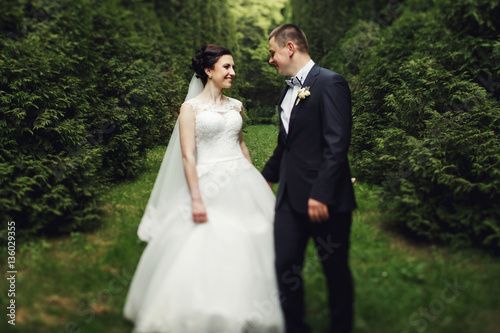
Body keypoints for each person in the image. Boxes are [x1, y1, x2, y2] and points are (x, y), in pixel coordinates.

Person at [123, 45, 284, 333]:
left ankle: (251, 307)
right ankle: (204, 308)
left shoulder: (236, 105)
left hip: (241, 178)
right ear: (208, 71)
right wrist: (196, 199)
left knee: (251, 237)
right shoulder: (190, 109)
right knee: (207, 242)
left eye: (233, 67)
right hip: (207, 183)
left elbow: (241, 144)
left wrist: (257, 182)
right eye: (227, 67)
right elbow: (188, 156)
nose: (233, 72)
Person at [262, 25, 357, 333]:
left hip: (326, 201)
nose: (271, 60)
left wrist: (321, 193)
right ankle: (295, 326)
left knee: (335, 270)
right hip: (290, 198)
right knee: (285, 264)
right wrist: (266, 177)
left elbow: (337, 143)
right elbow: (286, 143)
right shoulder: (286, 91)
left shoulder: (330, 83)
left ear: (290, 48)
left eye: (272, 53)